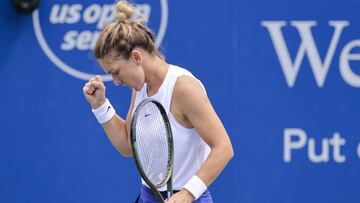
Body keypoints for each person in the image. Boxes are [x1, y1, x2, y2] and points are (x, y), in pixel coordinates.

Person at [82, 1, 233, 202]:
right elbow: (128, 145)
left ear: (136, 57)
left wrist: (188, 193)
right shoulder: (141, 87)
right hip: (148, 196)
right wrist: (100, 105)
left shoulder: (183, 87)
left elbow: (223, 148)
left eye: (116, 73)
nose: (116, 82)